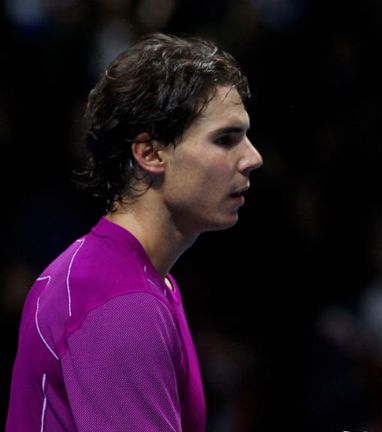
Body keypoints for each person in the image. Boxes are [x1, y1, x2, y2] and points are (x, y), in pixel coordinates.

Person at [5, 33, 263, 430]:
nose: (253, 157)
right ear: (151, 154)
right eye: (225, 139)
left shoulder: (127, 280)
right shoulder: (121, 305)